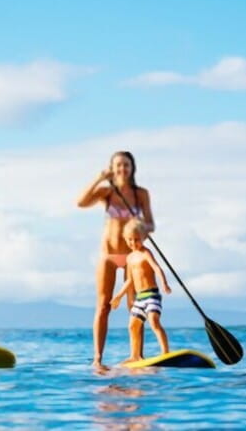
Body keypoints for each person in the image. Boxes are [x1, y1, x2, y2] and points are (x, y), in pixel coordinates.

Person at [77, 151, 155, 369]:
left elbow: (151, 224)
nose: (122, 169)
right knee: (103, 306)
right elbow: (81, 203)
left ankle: (136, 356)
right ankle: (98, 359)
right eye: (118, 165)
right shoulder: (107, 192)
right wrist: (99, 178)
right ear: (112, 168)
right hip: (108, 255)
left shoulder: (141, 194)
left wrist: (139, 229)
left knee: (136, 305)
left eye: (126, 165)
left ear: (132, 168)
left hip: (132, 256)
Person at [111, 219, 171, 362]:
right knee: (132, 325)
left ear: (143, 238)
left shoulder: (146, 253)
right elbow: (129, 281)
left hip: (152, 295)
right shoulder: (130, 258)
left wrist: (164, 283)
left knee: (153, 321)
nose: (133, 242)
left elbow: (157, 268)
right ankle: (135, 356)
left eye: (137, 239)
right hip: (139, 298)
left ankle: (165, 352)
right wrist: (118, 296)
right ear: (125, 239)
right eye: (130, 240)